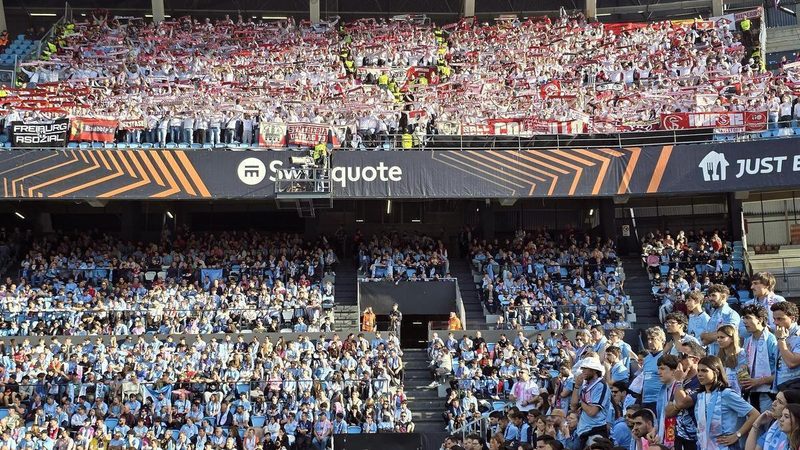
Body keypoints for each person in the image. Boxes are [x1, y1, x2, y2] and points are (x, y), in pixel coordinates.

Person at [695, 356, 759, 450]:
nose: (700, 374)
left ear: (716, 372)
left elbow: (755, 414)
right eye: (698, 370)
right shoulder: (700, 396)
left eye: (704, 371)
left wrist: (737, 435)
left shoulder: (726, 394)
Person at [739, 304, 777, 413]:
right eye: (744, 318)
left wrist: (758, 381)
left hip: (768, 394)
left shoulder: (771, 340)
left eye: (748, 318)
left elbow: (780, 371)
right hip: (752, 393)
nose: (745, 322)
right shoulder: (748, 341)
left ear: (760, 319)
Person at [670, 340, 706, 450]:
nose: (679, 359)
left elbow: (682, 402)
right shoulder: (680, 381)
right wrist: (678, 405)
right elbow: (667, 411)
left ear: (695, 359)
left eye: (683, 356)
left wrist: (678, 382)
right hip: (680, 438)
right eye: (678, 355)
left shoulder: (701, 381)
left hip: (696, 440)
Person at [570, 357, 610, 448]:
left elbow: (592, 411)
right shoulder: (585, 385)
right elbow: (573, 406)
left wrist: (581, 402)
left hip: (595, 432)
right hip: (582, 431)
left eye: (585, 368)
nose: (582, 371)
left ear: (595, 370)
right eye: (582, 368)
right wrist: (576, 386)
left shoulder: (601, 385)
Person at [700, 285, 741, 357]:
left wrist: (704, 335)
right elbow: (704, 341)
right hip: (712, 357)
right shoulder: (713, 315)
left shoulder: (731, 315)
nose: (710, 298)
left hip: (726, 358)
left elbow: (727, 337)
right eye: (709, 296)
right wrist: (709, 336)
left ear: (723, 297)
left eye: (713, 295)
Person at [771, 301, 800, 391]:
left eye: (780, 319)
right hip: (782, 386)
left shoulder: (797, 336)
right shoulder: (782, 334)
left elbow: (792, 363)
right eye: (774, 319)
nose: (775, 322)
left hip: (795, 385)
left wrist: (781, 340)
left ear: (792, 318)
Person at [655, 354, 681, 448]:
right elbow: (661, 417)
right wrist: (657, 431)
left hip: (678, 440)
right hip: (664, 439)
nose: (658, 372)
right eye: (658, 368)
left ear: (673, 371)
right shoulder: (662, 390)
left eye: (662, 368)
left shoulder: (680, 388)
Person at [640, 326, 666, 411]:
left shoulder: (665, 357)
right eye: (648, 339)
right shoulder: (646, 358)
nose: (650, 342)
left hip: (660, 400)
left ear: (662, 340)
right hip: (645, 401)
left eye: (653, 339)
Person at [716, 324, 748, 394]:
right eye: (718, 337)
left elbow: (744, 379)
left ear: (732, 339)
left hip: (739, 394)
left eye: (722, 337)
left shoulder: (741, 354)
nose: (719, 340)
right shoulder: (719, 357)